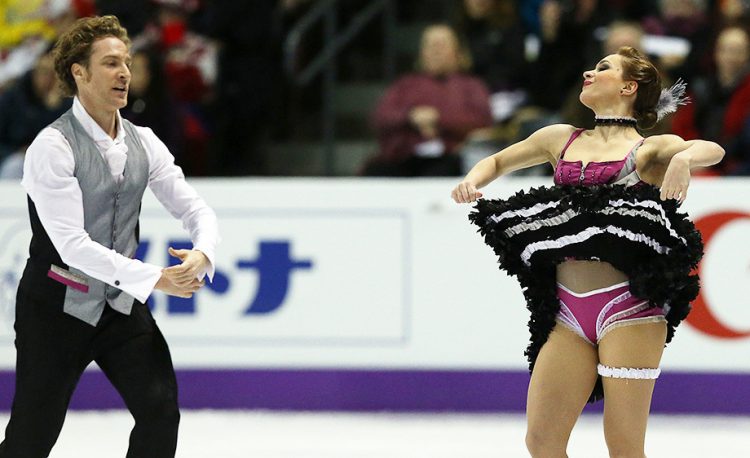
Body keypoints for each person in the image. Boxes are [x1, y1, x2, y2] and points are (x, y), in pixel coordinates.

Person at [451, 46, 723, 457]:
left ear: (629, 87)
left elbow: (712, 149)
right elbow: (496, 161)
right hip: (567, 312)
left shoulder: (647, 150)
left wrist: (683, 158)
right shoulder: (559, 138)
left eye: (603, 68)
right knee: (541, 441)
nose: (588, 72)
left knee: (624, 447)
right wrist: (473, 180)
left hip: (629, 308)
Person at [0, 15, 219, 458]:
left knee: (160, 411)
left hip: (118, 307)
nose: (124, 73)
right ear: (79, 72)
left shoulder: (145, 142)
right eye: (110, 63)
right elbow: (72, 246)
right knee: (31, 438)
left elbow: (194, 207)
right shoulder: (53, 147)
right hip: (56, 306)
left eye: (127, 62)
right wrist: (154, 278)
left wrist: (203, 253)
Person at [362, 24, 493, 177]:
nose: (436, 51)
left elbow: (482, 120)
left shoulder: (471, 86)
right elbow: (381, 116)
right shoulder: (405, 84)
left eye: (442, 45)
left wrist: (439, 119)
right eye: (430, 45)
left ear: (458, 52)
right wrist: (410, 117)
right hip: (404, 157)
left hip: (451, 158)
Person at [671, 26, 750, 175]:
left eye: (738, 51)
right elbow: (682, 127)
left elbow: (742, 140)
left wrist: (712, 161)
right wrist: (693, 157)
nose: (731, 57)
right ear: (716, 53)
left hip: (735, 168)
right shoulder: (702, 87)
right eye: (726, 50)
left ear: (747, 54)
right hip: (696, 162)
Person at [0, 49, 70, 179]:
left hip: (53, 159)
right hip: (16, 157)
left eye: (53, 74)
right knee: (14, 167)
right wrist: (16, 152)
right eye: (44, 73)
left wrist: (53, 108)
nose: (48, 79)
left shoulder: (67, 102)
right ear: (34, 73)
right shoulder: (14, 97)